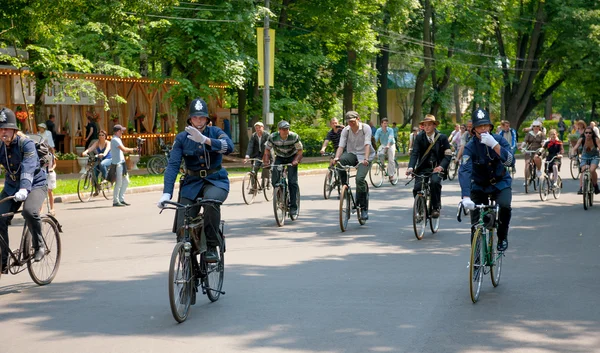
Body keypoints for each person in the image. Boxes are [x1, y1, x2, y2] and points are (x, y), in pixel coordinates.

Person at [158, 98, 233, 261]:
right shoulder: (181, 138)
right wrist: (166, 193)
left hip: (216, 181)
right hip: (192, 184)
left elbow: (229, 147)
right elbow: (173, 165)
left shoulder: (215, 132)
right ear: (190, 119)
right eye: (195, 117)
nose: (198, 120)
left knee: (210, 202)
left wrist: (205, 140)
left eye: (202, 117)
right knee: (182, 226)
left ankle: (212, 246)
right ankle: (189, 270)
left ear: (207, 119)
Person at [0, 108, 48, 273]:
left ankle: (39, 245)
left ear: (14, 129)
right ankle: (3, 261)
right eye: (0, 129)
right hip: (11, 187)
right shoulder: (1, 146)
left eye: (6, 128)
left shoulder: (25, 144)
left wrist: (24, 188)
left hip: (35, 184)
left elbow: (28, 166)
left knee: (29, 211)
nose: (3, 132)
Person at [459, 108, 514, 252]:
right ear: (474, 130)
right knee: (476, 222)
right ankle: (476, 258)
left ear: (490, 127)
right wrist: (465, 196)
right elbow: (465, 170)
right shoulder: (470, 147)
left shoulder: (500, 140)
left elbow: (510, 162)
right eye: (479, 126)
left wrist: (495, 146)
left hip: (500, 182)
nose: (483, 129)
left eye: (486, 126)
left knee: (504, 206)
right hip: (479, 185)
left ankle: (502, 236)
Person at [406, 114, 452, 219]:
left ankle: (435, 208)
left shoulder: (442, 138)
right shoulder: (419, 137)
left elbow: (448, 155)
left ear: (434, 126)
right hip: (422, 168)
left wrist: (441, 167)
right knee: (417, 188)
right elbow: (415, 153)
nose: (426, 127)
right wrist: (411, 167)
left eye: (429, 125)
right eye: (424, 125)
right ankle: (420, 210)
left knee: (435, 183)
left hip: (437, 168)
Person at [334, 111, 375, 220]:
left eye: (352, 121)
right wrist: (336, 157)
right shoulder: (346, 130)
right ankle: (344, 187)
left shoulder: (366, 128)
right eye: (349, 122)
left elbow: (367, 144)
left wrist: (366, 158)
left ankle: (363, 208)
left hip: (366, 156)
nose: (351, 124)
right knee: (340, 162)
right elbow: (341, 146)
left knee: (359, 179)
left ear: (358, 118)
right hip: (353, 154)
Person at [263, 120, 303, 217]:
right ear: (279, 130)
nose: (286, 131)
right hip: (280, 157)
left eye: (287, 129)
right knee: (274, 180)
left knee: (292, 182)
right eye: (283, 129)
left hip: (292, 157)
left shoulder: (294, 136)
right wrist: (266, 161)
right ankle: (280, 196)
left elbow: (300, 151)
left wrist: (296, 160)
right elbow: (267, 150)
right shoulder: (272, 137)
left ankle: (293, 206)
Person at [110, 124, 137, 207]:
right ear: (118, 131)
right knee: (119, 183)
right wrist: (133, 149)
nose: (122, 132)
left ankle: (121, 199)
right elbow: (124, 149)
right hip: (118, 164)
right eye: (121, 131)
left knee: (126, 181)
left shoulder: (117, 139)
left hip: (121, 163)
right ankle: (115, 201)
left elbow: (123, 150)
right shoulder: (115, 139)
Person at [572, 127, 600, 194]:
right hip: (585, 156)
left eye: (590, 133)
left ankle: (595, 185)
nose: (588, 134)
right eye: (586, 133)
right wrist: (573, 155)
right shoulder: (582, 139)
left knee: (592, 170)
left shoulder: (595, 139)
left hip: (594, 156)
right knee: (583, 170)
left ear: (592, 133)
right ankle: (581, 188)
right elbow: (575, 147)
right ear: (584, 133)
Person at [244, 121, 270, 189]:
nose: (258, 129)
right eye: (256, 128)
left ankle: (266, 182)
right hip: (257, 155)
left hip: (267, 154)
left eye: (259, 127)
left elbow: (269, 146)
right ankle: (253, 187)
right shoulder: (254, 135)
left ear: (263, 128)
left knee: (265, 168)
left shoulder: (267, 135)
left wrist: (266, 156)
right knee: (254, 169)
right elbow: (250, 145)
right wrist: (247, 156)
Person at [520, 119, 545, 184]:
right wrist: (521, 146)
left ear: (539, 127)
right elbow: (525, 141)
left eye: (537, 126)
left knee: (537, 158)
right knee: (527, 164)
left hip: (538, 150)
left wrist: (542, 146)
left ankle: (538, 170)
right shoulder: (529, 134)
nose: (536, 128)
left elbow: (543, 142)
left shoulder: (541, 134)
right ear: (532, 127)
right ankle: (526, 180)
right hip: (530, 150)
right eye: (534, 126)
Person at [374, 117, 396, 182]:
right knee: (379, 153)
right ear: (381, 124)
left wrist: (388, 145)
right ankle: (382, 165)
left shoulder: (390, 130)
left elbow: (390, 137)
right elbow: (376, 138)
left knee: (391, 160)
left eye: (386, 123)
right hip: (383, 144)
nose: (386, 125)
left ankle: (391, 175)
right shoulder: (378, 130)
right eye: (384, 123)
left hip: (391, 144)